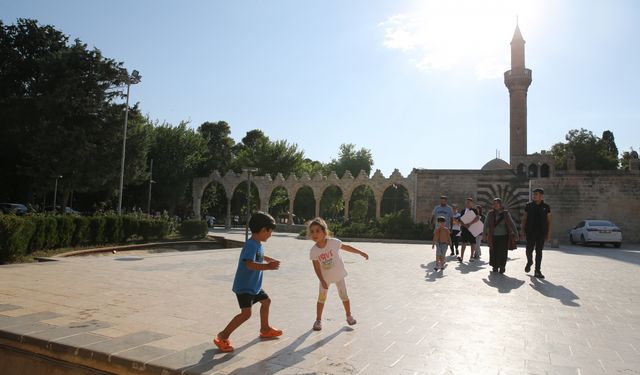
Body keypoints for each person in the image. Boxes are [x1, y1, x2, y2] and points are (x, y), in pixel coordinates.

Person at [214, 212, 282, 352]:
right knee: (246, 314)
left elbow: (259, 256)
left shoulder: (257, 244)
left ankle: (265, 329)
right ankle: (222, 336)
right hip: (245, 287)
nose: (270, 235)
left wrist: (268, 259)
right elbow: (249, 264)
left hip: (254, 286)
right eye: (270, 232)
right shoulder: (251, 245)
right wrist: (268, 267)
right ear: (263, 230)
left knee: (266, 302)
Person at [308, 217, 369, 331]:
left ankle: (349, 316)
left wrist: (360, 252)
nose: (314, 234)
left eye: (317, 231)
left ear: (324, 231)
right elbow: (316, 268)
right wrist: (322, 280)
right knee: (321, 299)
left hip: (339, 276)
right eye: (312, 231)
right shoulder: (314, 251)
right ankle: (318, 320)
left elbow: (347, 247)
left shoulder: (333, 242)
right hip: (325, 279)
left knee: (344, 296)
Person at [520, 188, 552, 279]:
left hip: (541, 232)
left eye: (536, 194)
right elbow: (524, 218)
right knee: (528, 250)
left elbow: (549, 221)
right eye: (533, 194)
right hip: (530, 232)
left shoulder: (546, 207)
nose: (534, 196)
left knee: (539, 251)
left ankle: (537, 271)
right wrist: (522, 231)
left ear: (541, 196)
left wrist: (549, 234)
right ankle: (529, 261)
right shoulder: (529, 205)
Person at [483, 198, 518, 273]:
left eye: (497, 203)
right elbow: (485, 224)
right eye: (494, 203)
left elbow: (512, 224)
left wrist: (516, 234)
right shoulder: (490, 213)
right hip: (493, 236)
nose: (495, 205)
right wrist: (484, 234)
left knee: (503, 252)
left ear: (500, 204)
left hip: (504, 236)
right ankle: (495, 266)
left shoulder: (505, 213)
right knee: (493, 252)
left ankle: (502, 266)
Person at [458, 198, 480, 263]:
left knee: (472, 243)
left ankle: (471, 257)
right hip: (464, 229)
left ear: (472, 203)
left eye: (469, 202)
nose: (468, 203)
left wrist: (470, 224)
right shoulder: (463, 211)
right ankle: (461, 257)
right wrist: (465, 225)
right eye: (467, 202)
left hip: (472, 229)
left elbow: (477, 218)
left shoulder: (475, 210)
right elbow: (460, 220)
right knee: (463, 242)